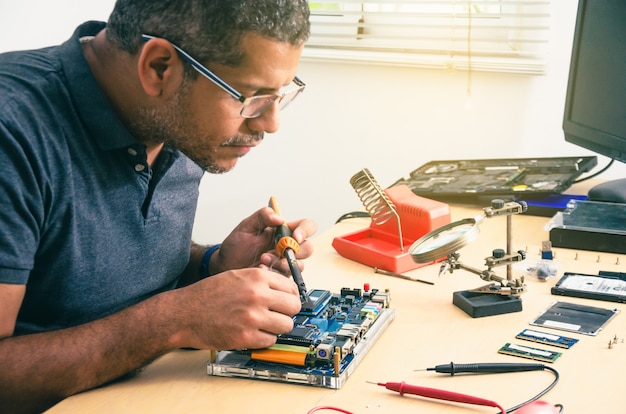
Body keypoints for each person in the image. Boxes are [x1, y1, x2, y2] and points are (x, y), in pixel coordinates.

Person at [0, 1, 315, 413]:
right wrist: (175, 320)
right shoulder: (13, 131)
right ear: (160, 67)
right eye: (251, 97)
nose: (270, 123)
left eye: (282, 94)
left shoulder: (172, 119)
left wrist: (212, 265)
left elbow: (80, 261)